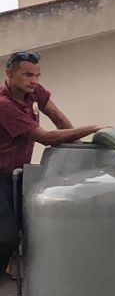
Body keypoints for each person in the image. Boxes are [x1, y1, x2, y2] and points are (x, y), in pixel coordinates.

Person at [0, 50, 101, 271]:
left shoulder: (35, 93)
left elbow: (58, 118)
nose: (34, 81)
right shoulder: (4, 105)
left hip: (19, 175)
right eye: (28, 75)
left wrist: (81, 149)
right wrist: (94, 128)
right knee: (5, 236)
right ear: (9, 73)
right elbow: (44, 137)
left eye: (37, 75)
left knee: (32, 227)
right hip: (1, 177)